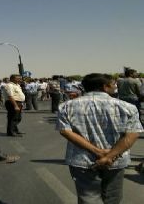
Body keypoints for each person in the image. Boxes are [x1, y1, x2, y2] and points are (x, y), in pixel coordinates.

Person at [57, 73, 143, 204]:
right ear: (105, 86)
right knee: (113, 197)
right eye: (113, 84)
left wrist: (98, 152)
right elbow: (133, 134)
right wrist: (109, 156)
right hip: (115, 160)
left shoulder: (66, 106)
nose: (115, 86)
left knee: (88, 198)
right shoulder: (127, 107)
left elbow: (65, 131)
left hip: (83, 161)